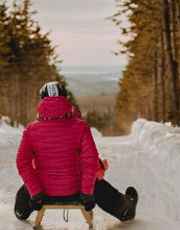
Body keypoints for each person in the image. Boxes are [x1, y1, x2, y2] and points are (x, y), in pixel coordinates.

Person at [13, 82, 138, 222]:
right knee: (96, 184)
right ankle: (126, 209)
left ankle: (21, 212)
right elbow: (91, 161)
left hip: (43, 193)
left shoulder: (30, 130)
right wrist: (86, 192)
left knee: (27, 189)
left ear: (41, 100)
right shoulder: (80, 127)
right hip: (76, 191)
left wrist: (35, 193)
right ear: (65, 99)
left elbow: (22, 163)